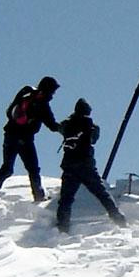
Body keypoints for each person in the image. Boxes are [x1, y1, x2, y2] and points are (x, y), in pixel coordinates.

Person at [55, 98, 126, 232]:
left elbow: (59, 128)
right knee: (101, 193)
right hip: (86, 166)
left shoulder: (67, 123)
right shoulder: (92, 126)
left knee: (66, 198)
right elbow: (94, 140)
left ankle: (62, 226)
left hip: (70, 166)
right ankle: (118, 218)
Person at [0, 76, 60, 202]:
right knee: (33, 169)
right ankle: (39, 196)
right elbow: (52, 126)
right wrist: (66, 127)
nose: (54, 94)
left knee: (7, 167)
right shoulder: (42, 105)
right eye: (53, 90)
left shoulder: (26, 93)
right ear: (48, 90)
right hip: (25, 139)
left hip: (10, 135)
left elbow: (9, 111)